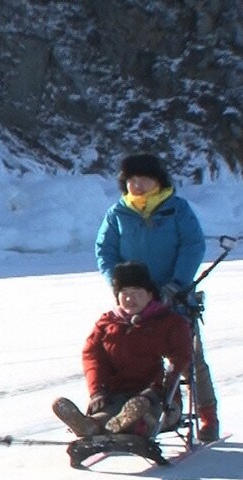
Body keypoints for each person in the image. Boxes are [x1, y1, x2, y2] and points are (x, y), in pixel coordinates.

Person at [95, 153, 219, 441]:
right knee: (127, 356)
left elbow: (192, 246)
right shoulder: (117, 213)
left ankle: (208, 416)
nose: (137, 185)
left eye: (143, 179)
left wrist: (177, 283)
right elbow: (105, 252)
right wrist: (120, 285)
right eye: (131, 180)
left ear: (158, 181)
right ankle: (127, 413)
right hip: (133, 299)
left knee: (189, 359)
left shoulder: (177, 209)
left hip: (174, 298)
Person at [52, 262, 193, 440]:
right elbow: (93, 358)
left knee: (145, 413)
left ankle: (131, 425)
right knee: (109, 413)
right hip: (117, 395)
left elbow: (179, 358)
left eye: (136, 292)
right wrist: (97, 391)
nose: (129, 299)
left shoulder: (169, 323)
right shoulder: (107, 323)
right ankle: (91, 425)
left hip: (159, 399)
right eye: (124, 293)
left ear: (150, 294)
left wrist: (154, 392)